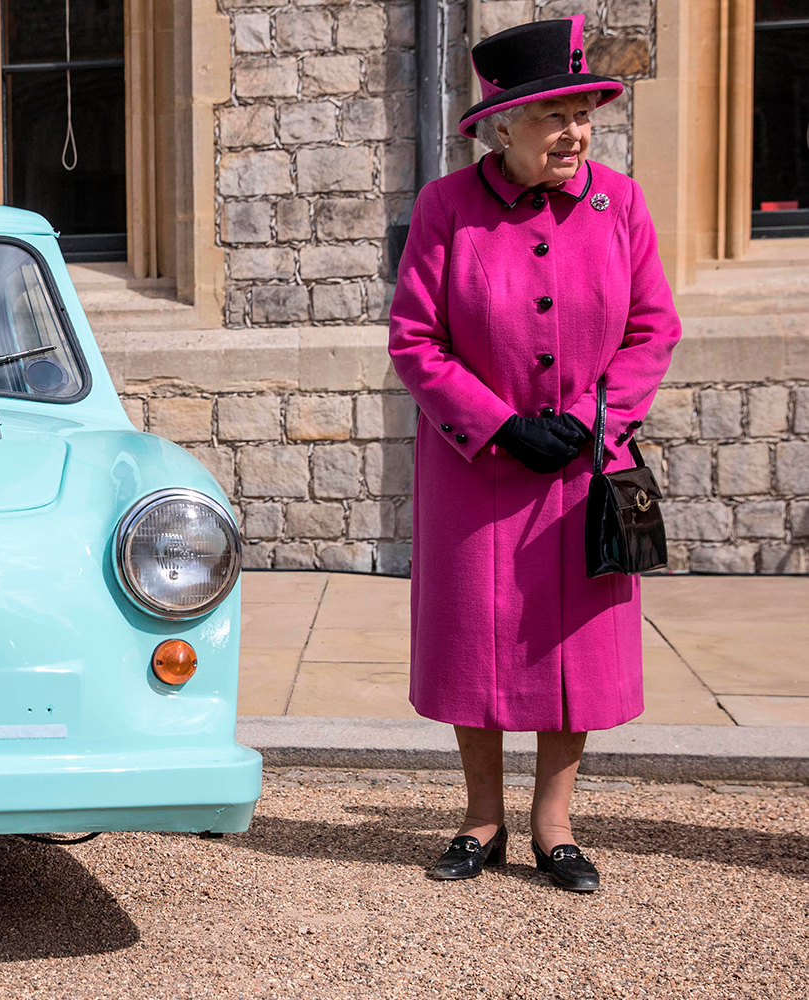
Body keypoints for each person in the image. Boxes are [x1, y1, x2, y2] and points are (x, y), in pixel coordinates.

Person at [387, 16, 681, 892]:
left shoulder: (620, 203)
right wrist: (500, 425)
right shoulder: (448, 209)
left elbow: (652, 328)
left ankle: (556, 825)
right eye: (554, 114)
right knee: (474, 643)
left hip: (587, 467)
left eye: (584, 111)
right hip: (477, 471)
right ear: (500, 125)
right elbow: (416, 340)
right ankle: (482, 819)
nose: (574, 131)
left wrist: (600, 422)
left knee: (572, 650)